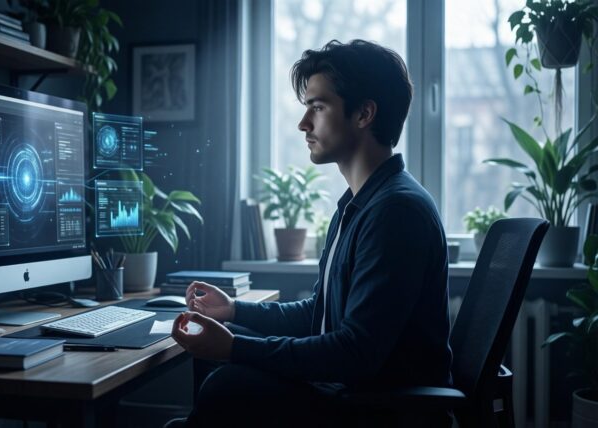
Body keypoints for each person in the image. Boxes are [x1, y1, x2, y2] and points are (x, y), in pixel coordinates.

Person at [169, 39, 453, 427]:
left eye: (318, 107)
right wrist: (233, 311)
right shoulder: (360, 204)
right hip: (351, 392)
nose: (304, 123)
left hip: (378, 409)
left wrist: (234, 348)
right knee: (227, 355)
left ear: (364, 113)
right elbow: (320, 312)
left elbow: (354, 352)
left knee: (226, 385)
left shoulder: (396, 212)